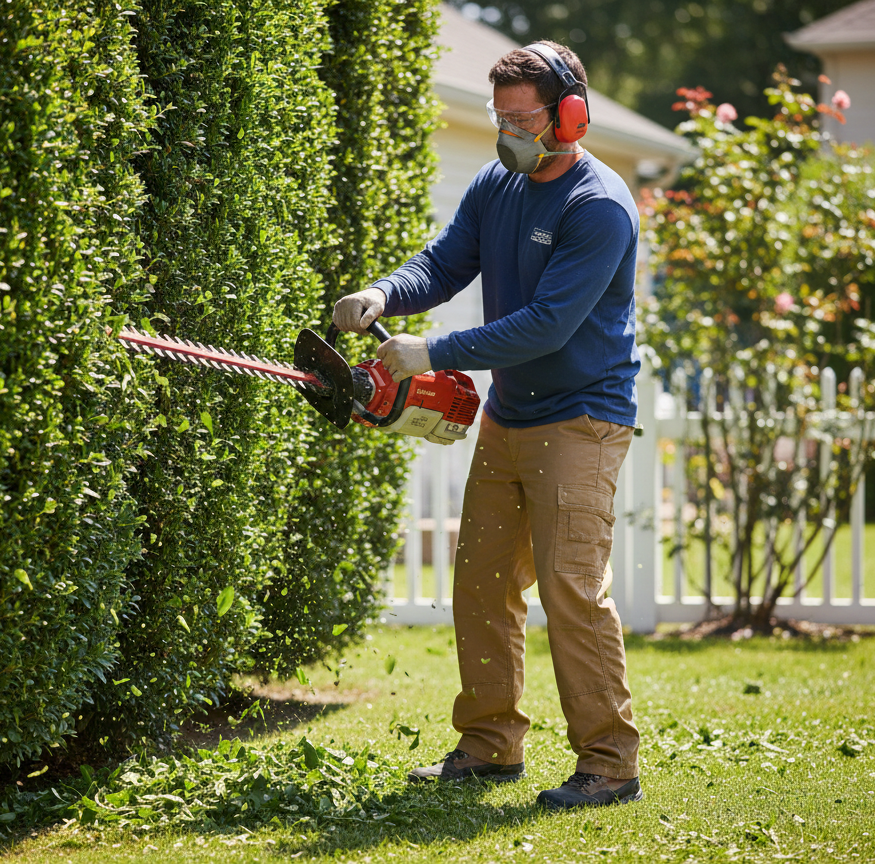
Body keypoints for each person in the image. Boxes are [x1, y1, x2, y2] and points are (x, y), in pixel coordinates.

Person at [332, 40, 643, 810]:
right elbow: (443, 265)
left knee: (571, 589)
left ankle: (610, 765)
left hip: (584, 418)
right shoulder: (497, 184)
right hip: (511, 415)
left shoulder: (598, 207)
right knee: (482, 579)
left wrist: (433, 351)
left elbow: (546, 325)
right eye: (500, 118)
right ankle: (490, 743)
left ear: (569, 116)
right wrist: (383, 294)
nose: (508, 133)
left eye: (523, 120)